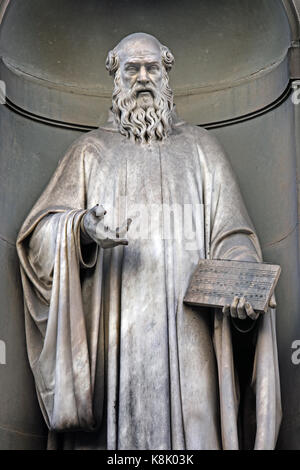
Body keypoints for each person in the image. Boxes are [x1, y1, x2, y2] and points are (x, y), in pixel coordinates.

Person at [17, 32, 281, 450]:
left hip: (188, 331)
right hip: (114, 335)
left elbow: (232, 234)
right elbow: (37, 242)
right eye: (132, 69)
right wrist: (82, 229)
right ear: (115, 77)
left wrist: (243, 279)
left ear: (166, 72)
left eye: (151, 67)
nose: (142, 77)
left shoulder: (202, 150)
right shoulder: (89, 152)